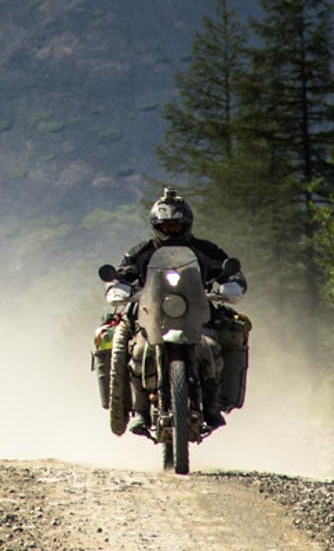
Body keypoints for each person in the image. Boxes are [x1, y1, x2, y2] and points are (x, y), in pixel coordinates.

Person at [103, 187, 247, 436]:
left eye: (176, 225)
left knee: (215, 344)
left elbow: (229, 272)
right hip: (150, 314)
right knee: (137, 351)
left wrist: (230, 283)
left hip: (197, 314)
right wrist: (118, 286)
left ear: (187, 224)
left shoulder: (206, 250)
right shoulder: (141, 252)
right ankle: (140, 410)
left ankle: (213, 404)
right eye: (166, 225)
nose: (171, 230)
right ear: (156, 225)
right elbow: (122, 274)